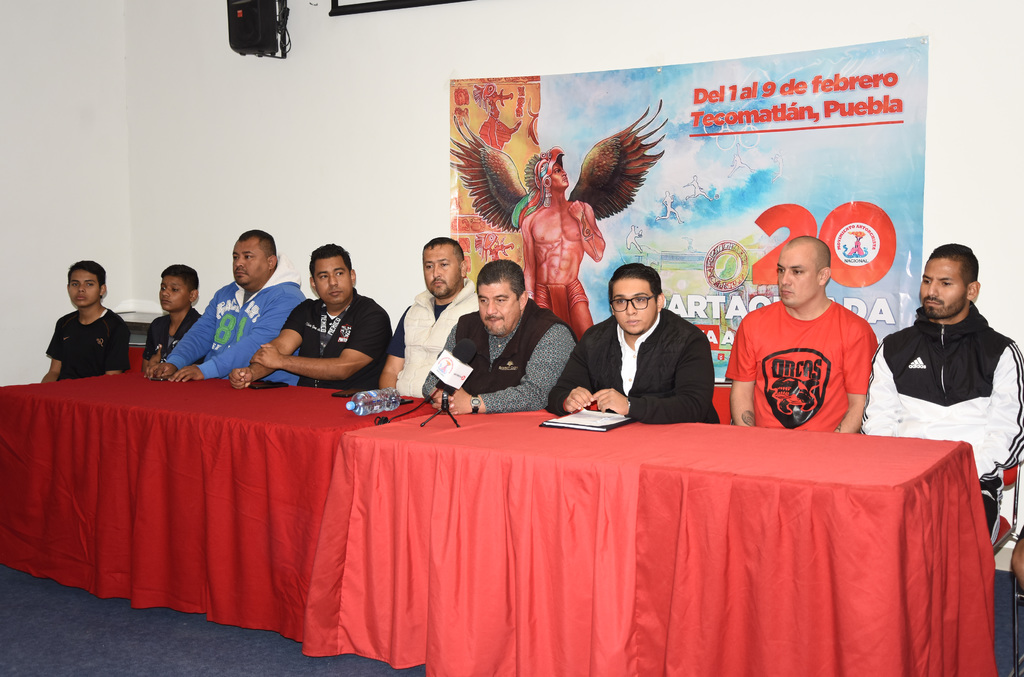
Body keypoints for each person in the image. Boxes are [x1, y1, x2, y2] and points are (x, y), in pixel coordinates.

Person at [863, 243, 1024, 542]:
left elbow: (1008, 436)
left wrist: (954, 474)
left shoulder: (1000, 352)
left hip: (972, 483)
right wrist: (905, 475)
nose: (931, 291)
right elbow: (878, 425)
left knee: (953, 547)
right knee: (871, 540)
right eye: (927, 281)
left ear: (972, 290)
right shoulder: (894, 348)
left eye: (945, 283)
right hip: (902, 482)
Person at [727, 235, 877, 432]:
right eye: (781, 270)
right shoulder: (753, 324)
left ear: (823, 276)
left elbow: (860, 404)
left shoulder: (855, 331)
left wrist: (831, 448)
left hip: (829, 447)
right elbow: (742, 393)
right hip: (764, 445)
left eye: (797, 272)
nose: (784, 280)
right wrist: (752, 443)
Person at [547, 263, 718, 424]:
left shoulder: (689, 340)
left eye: (640, 300)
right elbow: (558, 393)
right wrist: (567, 400)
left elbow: (693, 405)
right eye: (620, 301)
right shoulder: (594, 339)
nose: (630, 311)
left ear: (659, 302)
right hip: (617, 439)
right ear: (612, 308)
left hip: (682, 438)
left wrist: (630, 406)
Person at [422, 259, 575, 415]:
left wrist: (474, 403)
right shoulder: (465, 327)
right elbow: (431, 383)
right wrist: (443, 396)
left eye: (500, 300)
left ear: (522, 300)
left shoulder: (550, 332)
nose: (490, 311)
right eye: (483, 301)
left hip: (525, 427)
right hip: (463, 423)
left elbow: (537, 393)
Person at [149, 230, 305, 383]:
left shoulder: (287, 297)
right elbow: (201, 333)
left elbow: (256, 344)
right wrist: (174, 362)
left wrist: (205, 370)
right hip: (216, 382)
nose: (238, 263)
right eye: (235, 257)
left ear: (270, 262)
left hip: (264, 386)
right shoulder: (224, 293)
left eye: (247, 257)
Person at [229, 244, 391, 390]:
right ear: (313, 283)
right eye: (323, 276)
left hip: (351, 403)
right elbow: (279, 348)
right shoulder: (306, 310)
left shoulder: (372, 315)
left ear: (352, 276)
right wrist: (250, 373)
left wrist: (281, 361)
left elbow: (343, 368)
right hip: (305, 398)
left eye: (339, 273)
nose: (333, 282)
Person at [518, 148, 606, 338]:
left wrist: (581, 220)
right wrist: (528, 303)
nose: (564, 173)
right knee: (544, 343)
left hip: (572, 288)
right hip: (542, 292)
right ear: (546, 181)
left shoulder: (583, 209)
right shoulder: (530, 220)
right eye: (557, 171)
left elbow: (597, 254)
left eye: (562, 169)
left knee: (588, 342)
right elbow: (529, 269)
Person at [379, 237, 478, 397]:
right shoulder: (412, 312)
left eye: (443, 265)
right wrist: (390, 400)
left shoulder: (478, 312)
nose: (435, 273)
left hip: (441, 405)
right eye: (429, 266)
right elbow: (391, 370)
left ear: (463, 268)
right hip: (401, 402)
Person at [42, 260, 131, 381]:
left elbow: (111, 379)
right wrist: (42, 391)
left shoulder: (116, 327)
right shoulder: (64, 323)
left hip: (95, 390)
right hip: (62, 389)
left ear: (102, 289)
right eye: (75, 284)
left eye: (89, 284)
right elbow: (54, 372)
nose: (81, 289)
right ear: (68, 288)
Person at [142, 264, 202, 379]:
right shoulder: (156, 325)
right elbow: (144, 371)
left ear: (193, 295)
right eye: (163, 288)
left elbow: (198, 370)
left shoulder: (200, 326)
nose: (165, 293)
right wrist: (151, 366)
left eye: (174, 289)